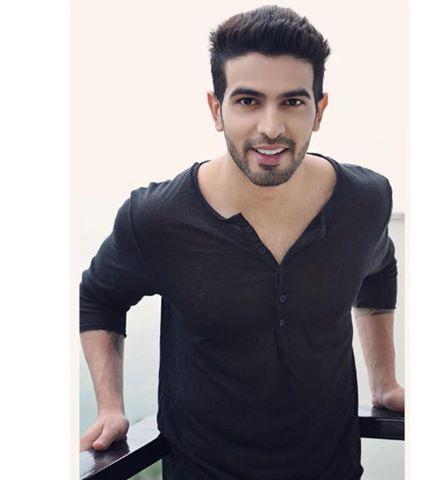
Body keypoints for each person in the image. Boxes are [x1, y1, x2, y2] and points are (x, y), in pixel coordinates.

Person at [79, 5, 404, 479]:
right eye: (249, 101)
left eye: (292, 102)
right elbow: (99, 297)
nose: (270, 127)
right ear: (217, 109)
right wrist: (111, 406)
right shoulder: (157, 218)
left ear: (319, 110)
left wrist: (385, 382)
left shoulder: (365, 200)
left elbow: (378, 268)